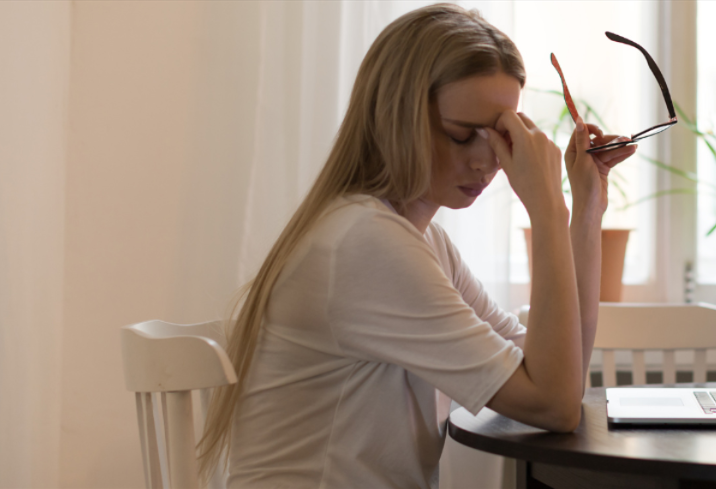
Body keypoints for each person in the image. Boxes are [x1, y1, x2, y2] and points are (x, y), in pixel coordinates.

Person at [195, 4, 638, 488]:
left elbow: (558, 376)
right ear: (395, 117)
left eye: (498, 137)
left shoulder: (418, 239)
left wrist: (586, 205)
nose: (486, 162)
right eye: (460, 134)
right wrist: (547, 208)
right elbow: (553, 403)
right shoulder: (363, 243)